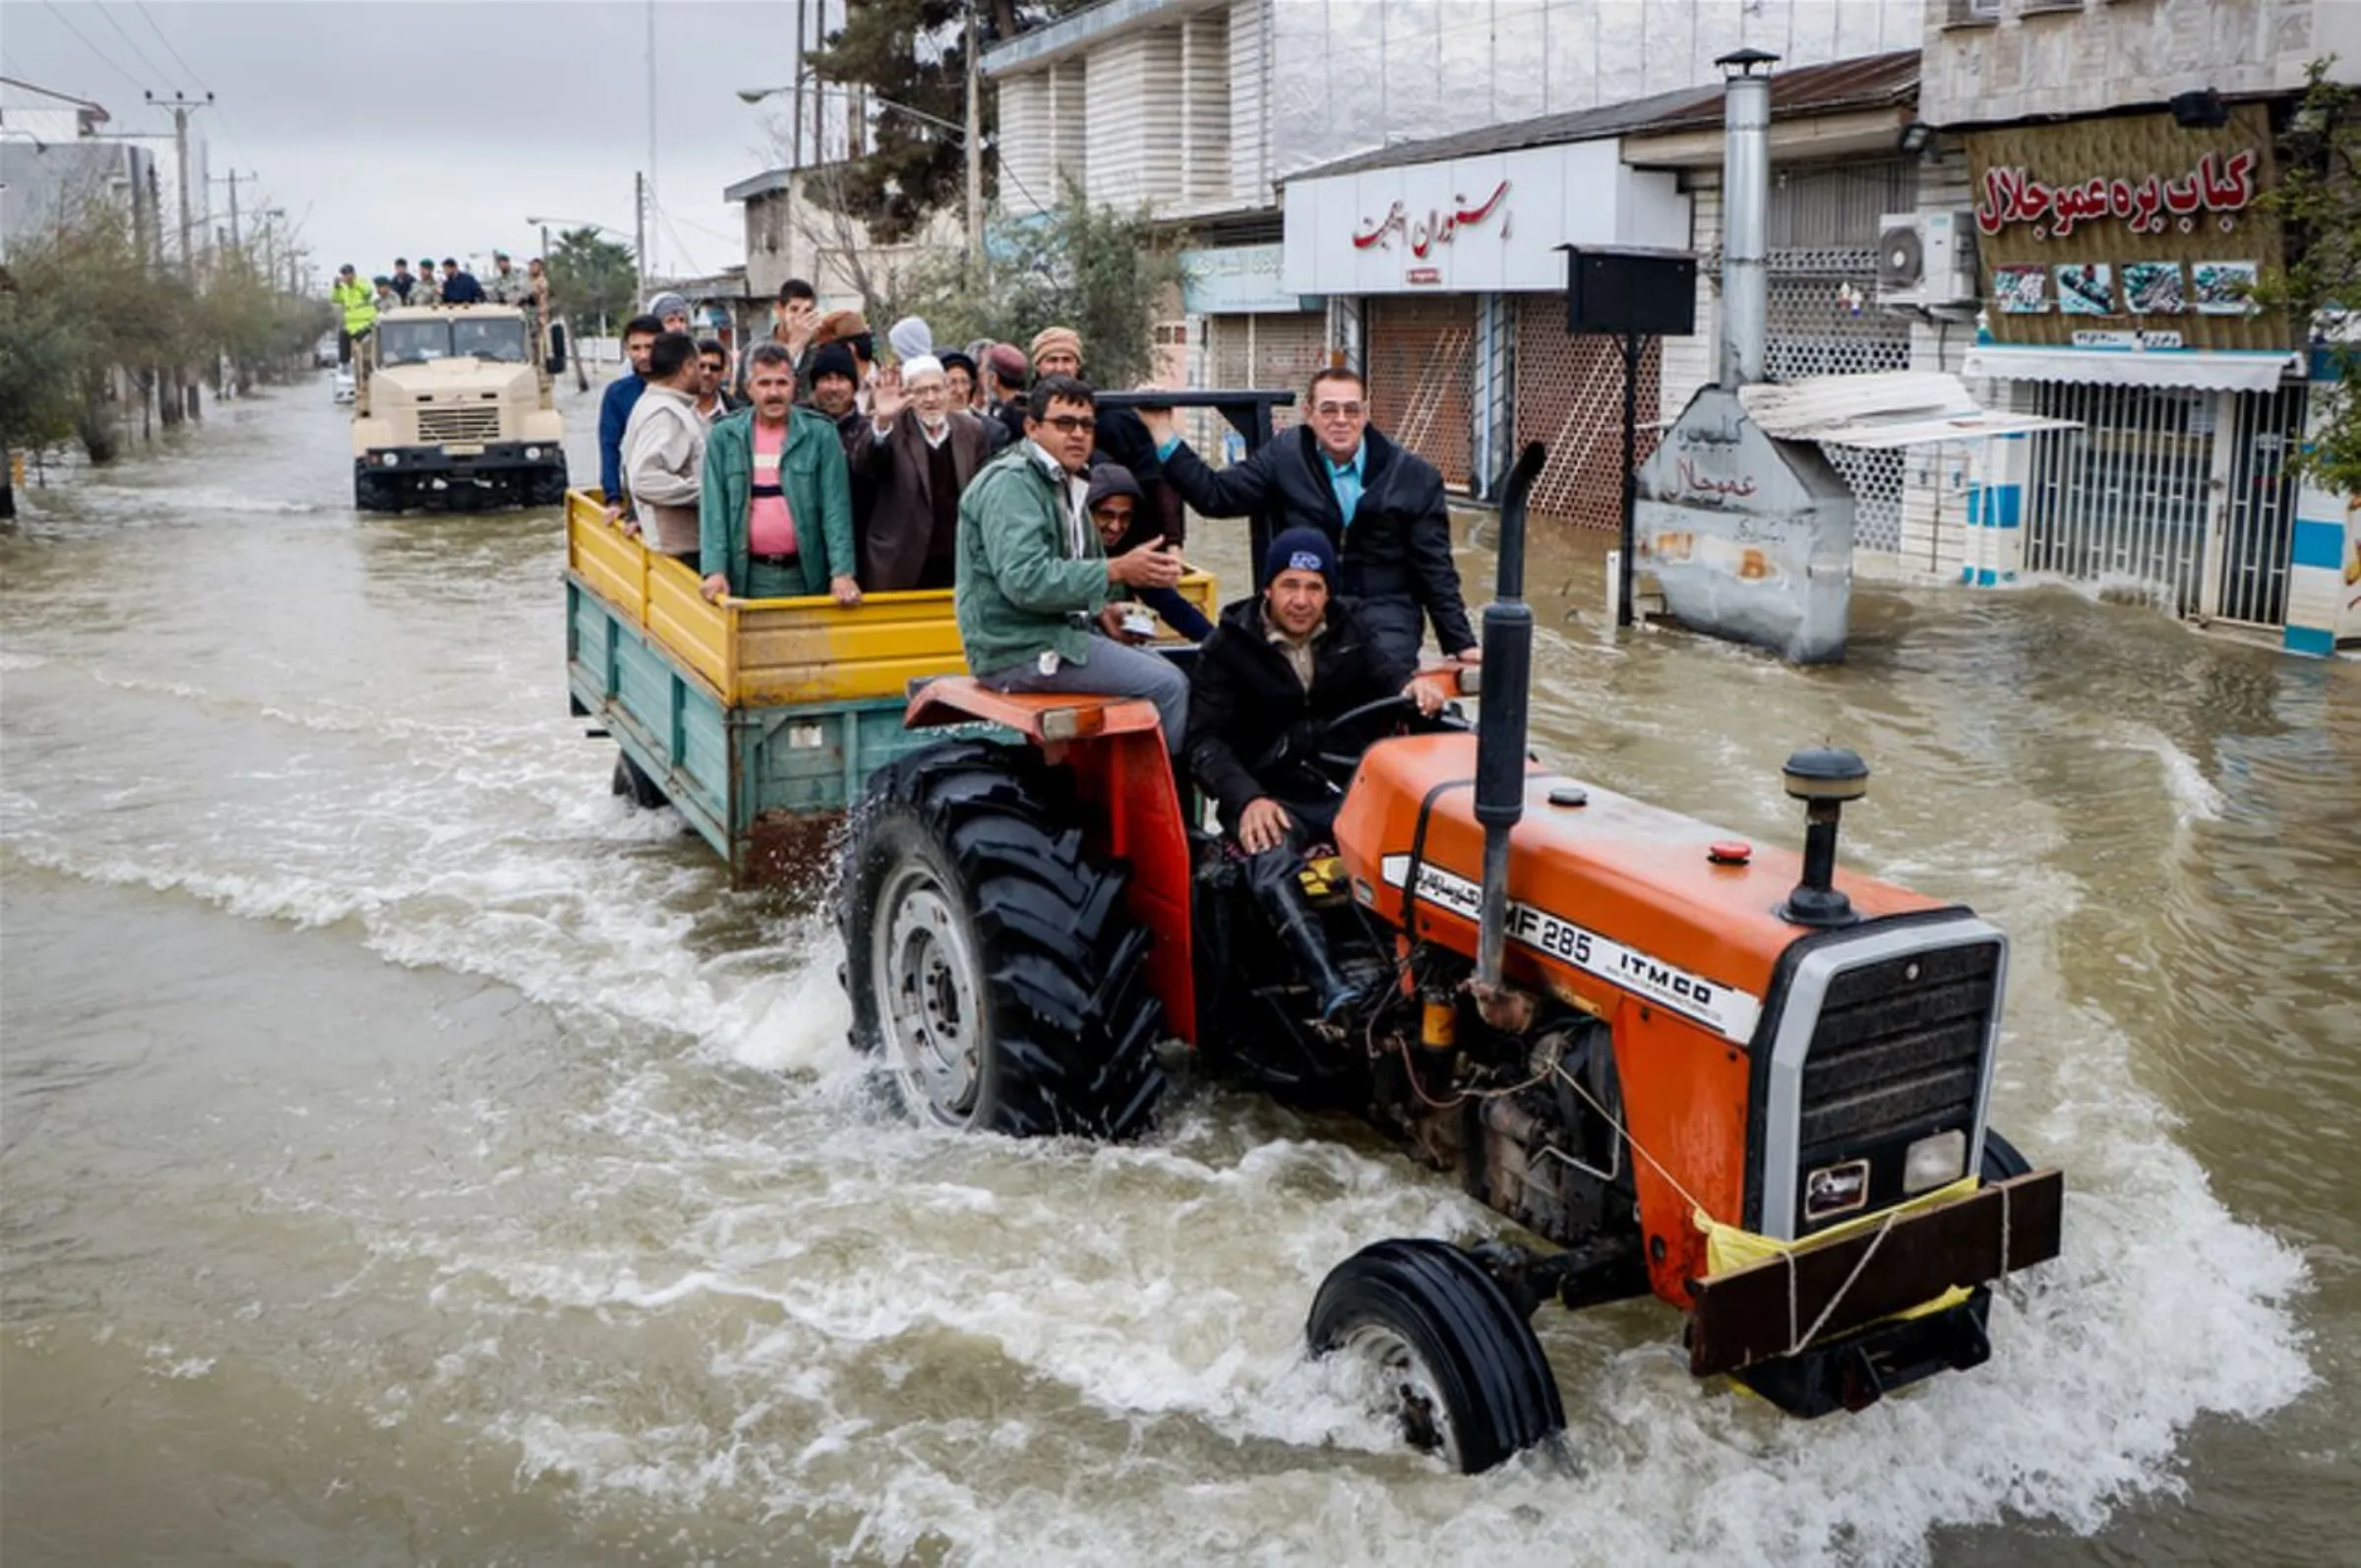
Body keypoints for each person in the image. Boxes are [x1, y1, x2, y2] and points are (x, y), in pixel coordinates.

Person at [1185, 525, 1445, 1016]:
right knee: (1269, 856)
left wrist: (1415, 688)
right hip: (1272, 794)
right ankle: (1331, 988)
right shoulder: (1228, 648)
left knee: (1431, 845)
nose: (1301, 600)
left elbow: (1388, 673)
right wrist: (1247, 799)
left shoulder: (1350, 630)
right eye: (1289, 585)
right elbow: (1205, 742)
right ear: (1267, 588)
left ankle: (1423, 981)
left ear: (1328, 592)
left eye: (1314, 587)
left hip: (1344, 791)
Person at [1139, 367, 1479, 671]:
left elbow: (1435, 569)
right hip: (1303, 607)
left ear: (1365, 415)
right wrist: (1161, 430)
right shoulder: (1285, 456)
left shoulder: (1414, 477)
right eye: (1329, 409)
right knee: (1240, 663)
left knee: (1381, 673)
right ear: (1309, 414)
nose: (1341, 419)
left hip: (1385, 612)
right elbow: (1216, 496)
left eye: (1351, 410)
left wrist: (1461, 643)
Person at [953, 375, 1192, 753]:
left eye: (1086, 425)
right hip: (1018, 649)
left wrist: (1101, 612)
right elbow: (1025, 580)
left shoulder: (1064, 481)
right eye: (1064, 424)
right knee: (1168, 685)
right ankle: (1169, 806)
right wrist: (1115, 570)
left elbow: (1070, 571)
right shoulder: (1011, 484)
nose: (1078, 434)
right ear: (1032, 427)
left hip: (1054, 636)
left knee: (1175, 668)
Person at [699, 341, 861, 605]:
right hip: (746, 578)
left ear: (795, 385)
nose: (773, 393)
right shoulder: (724, 436)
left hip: (807, 576)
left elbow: (836, 509)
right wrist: (715, 571)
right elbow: (713, 510)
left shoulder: (820, 434)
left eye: (781, 383)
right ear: (748, 387)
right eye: (764, 384)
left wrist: (842, 573)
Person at [1030, 325, 1182, 546]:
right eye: (1052, 360)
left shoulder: (1115, 418)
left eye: (1067, 360)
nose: (1060, 367)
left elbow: (1156, 478)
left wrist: (1172, 542)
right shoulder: (1018, 416)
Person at [850, 354, 991, 591]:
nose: (931, 399)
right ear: (908, 396)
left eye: (936, 389)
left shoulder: (971, 431)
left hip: (958, 561)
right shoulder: (893, 428)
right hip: (901, 563)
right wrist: (883, 421)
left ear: (947, 390)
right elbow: (866, 467)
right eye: (921, 391)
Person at [1087, 465, 1211, 641]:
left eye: (1125, 517)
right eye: (1106, 515)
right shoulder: (1063, 550)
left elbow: (1174, 608)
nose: (1115, 527)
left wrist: (1219, 645)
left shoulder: (1131, 553)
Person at [621, 331, 708, 566]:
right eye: (700, 366)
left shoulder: (657, 405)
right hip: (679, 549)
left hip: (679, 546)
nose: (704, 374)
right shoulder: (666, 413)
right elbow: (644, 479)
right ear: (688, 366)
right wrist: (707, 493)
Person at [598, 314, 664, 510]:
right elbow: (609, 447)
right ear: (627, 350)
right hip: (640, 492)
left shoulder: (684, 385)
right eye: (636, 348)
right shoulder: (618, 394)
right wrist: (613, 497)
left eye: (649, 347)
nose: (643, 355)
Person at [332, 265, 375, 365]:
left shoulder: (361, 282)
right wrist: (336, 288)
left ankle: (367, 364)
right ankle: (344, 364)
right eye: (344, 274)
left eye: (347, 274)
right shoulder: (343, 288)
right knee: (342, 335)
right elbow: (335, 299)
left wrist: (353, 283)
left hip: (365, 323)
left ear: (353, 274)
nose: (346, 277)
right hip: (351, 325)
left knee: (365, 347)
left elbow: (368, 292)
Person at [694, 339, 743, 424]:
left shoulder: (739, 414)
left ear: (723, 372)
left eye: (714, 368)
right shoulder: (675, 410)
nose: (707, 373)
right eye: (701, 366)